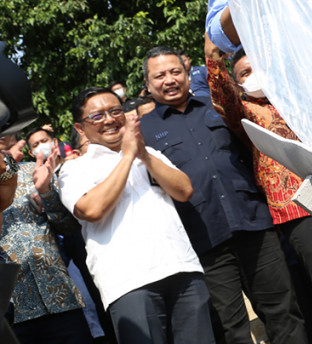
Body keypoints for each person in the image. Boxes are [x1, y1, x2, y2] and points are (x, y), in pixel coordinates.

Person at [204, 35, 312, 344]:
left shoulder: (295, 96)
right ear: (238, 83)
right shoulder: (243, 110)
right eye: (245, 73)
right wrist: (214, 54)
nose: (253, 75)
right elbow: (221, 92)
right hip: (295, 208)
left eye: (257, 68)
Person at [137, 46, 308, 344]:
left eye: (175, 72)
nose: (169, 80)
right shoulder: (144, 132)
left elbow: (250, 152)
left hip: (253, 223)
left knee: (283, 312)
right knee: (232, 329)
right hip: (203, 238)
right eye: (160, 75)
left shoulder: (217, 107)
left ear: (187, 73)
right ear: (148, 84)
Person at [58, 87, 214, 344]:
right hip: (128, 282)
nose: (109, 120)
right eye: (97, 116)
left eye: (115, 111)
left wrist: (142, 155)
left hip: (181, 266)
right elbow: (92, 210)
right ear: (80, 128)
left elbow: (184, 190)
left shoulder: (150, 153)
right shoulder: (74, 169)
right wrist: (128, 156)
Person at [1, 146, 93, 344]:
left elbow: (68, 228)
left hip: (60, 300)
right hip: (12, 315)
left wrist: (46, 192)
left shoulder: (32, 172)